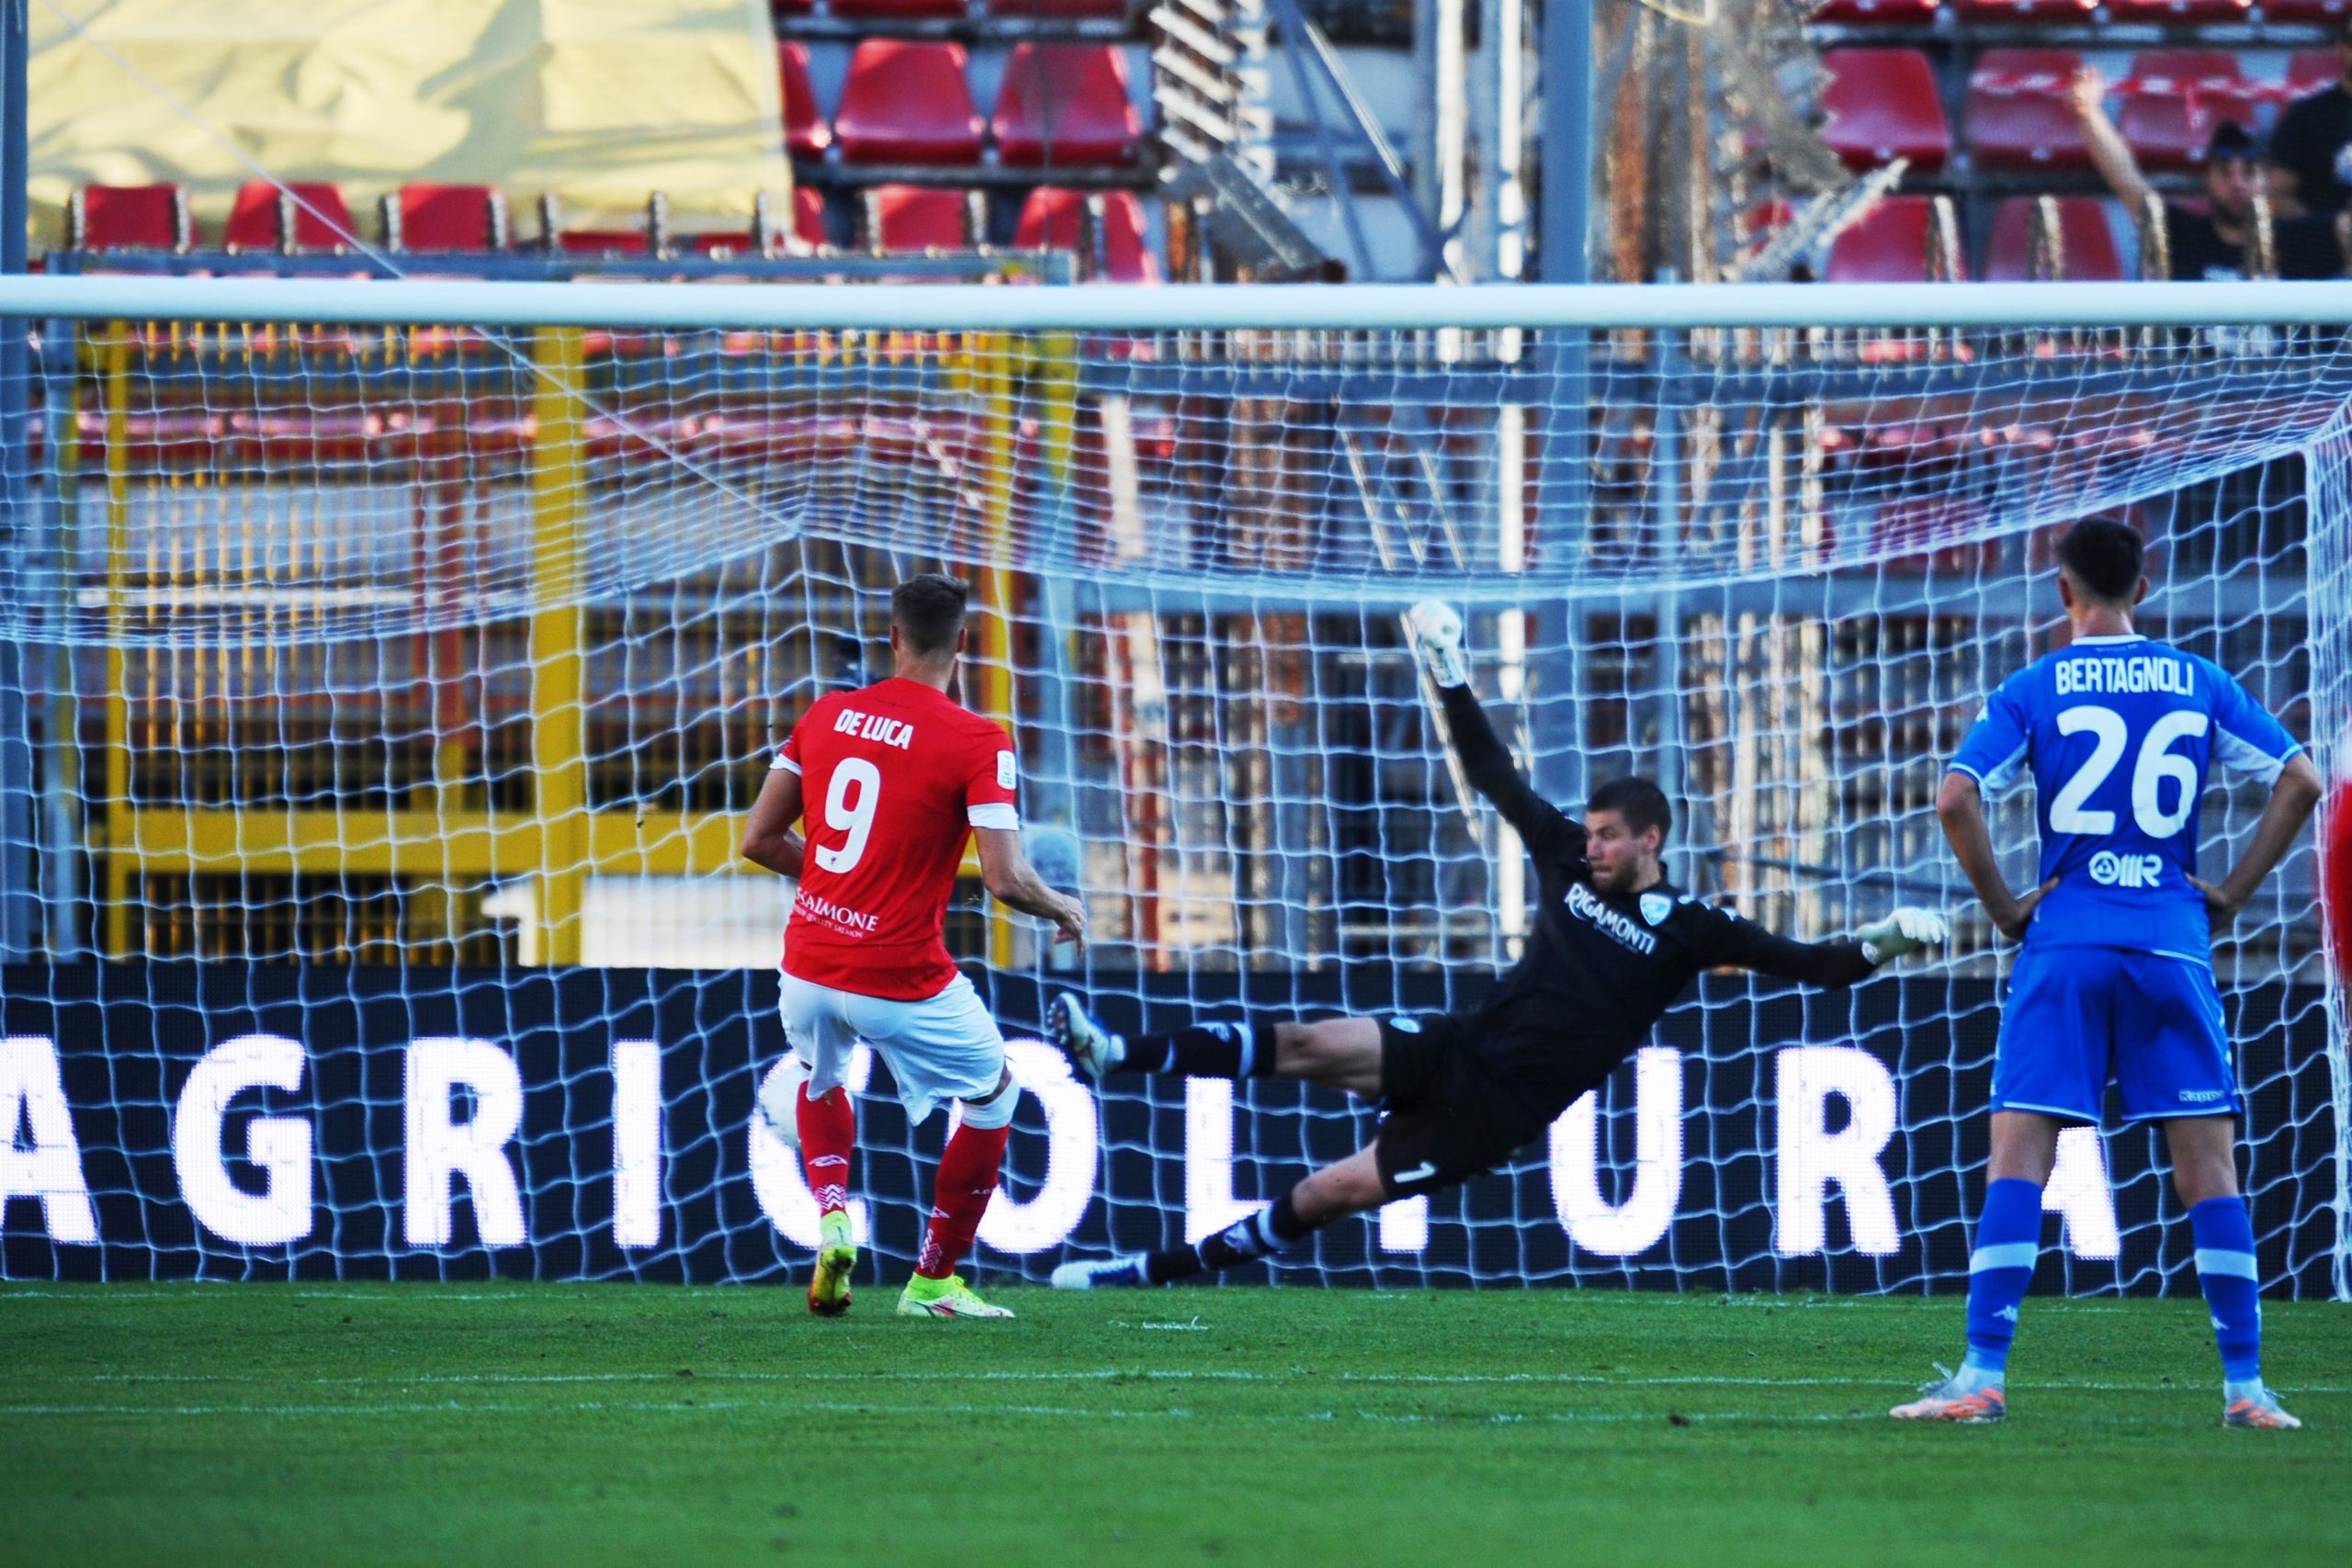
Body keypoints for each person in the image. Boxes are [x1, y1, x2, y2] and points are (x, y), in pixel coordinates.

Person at [1046, 602, 1948, 1291]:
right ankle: (1115, 1052)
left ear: (1651, 840)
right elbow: (1491, 774)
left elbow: (1818, 967)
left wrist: (1885, 942)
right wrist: (1448, 674)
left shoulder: (1692, 927)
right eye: (1589, 831)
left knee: (1323, 1194)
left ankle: (1141, 1273)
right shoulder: (1565, 857)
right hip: (1459, 1043)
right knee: (1307, 1040)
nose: (1591, 845)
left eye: (1608, 835)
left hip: (1491, 1114)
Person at [1894, 518, 2321, 1428]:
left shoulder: (2033, 686)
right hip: (2171, 938)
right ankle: (2246, 1389)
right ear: (2143, 586)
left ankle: (1982, 1374)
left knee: (2019, 1156)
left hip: (2068, 938)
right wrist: (2234, 891)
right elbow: (2302, 780)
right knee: (2208, 1168)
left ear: (2063, 590)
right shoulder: (2198, 680)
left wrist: (2004, 906)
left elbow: (1954, 796)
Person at [741, 573, 1088, 1319]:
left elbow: (758, 838)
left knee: (822, 1077)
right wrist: (1063, 906)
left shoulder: (826, 714)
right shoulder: (978, 739)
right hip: (897, 971)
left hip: (807, 962)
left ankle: (833, 1216)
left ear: (892, 636)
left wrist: (838, 884)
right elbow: (1004, 877)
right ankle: (932, 1280)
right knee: (995, 1093)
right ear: (963, 642)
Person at [2069, 65, 2346, 280]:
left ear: (2266, 181)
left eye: (2249, 172)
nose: (2236, 182)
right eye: (2224, 172)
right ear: (2208, 181)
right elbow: (2127, 180)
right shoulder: (2181, 234)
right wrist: (2088, 114)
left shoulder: (2303, 239)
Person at [2270, 17, 2352, 218]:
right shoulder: (2305, 116)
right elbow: (2276, 197)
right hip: (2326, 235)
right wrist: (2324, 228)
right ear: (2340, 48)